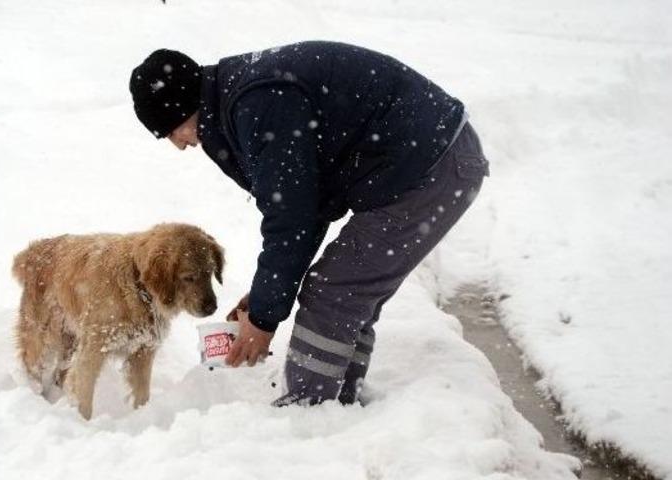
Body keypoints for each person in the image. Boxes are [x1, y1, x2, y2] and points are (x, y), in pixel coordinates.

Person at [129, 41, 489, 406]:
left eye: (172, 130)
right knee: (345, 290)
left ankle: (308, 412)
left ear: (185, 107)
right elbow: (308, 207)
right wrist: (260, 303)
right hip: (425, 160)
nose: (179, 144)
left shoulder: (257, 103)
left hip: (430, 164)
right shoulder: (239, 100)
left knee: (337, 291)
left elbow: (293, 216)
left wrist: (264, 320)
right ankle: (338, 405)